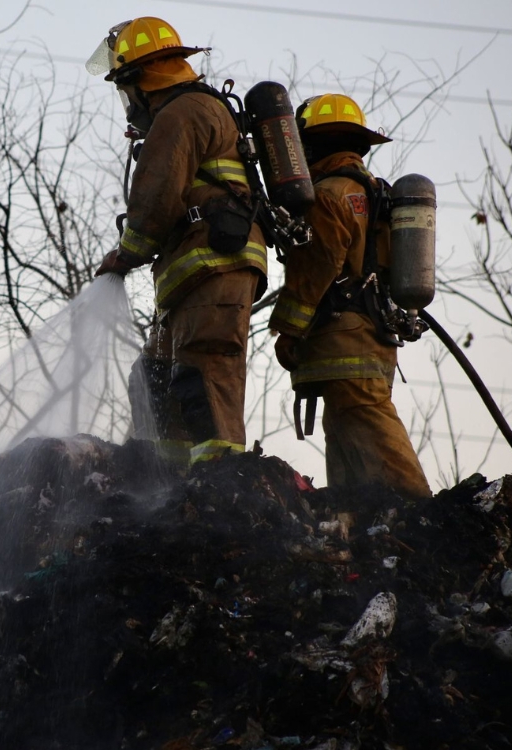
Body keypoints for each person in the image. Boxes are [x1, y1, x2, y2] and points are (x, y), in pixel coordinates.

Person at [87, 17, 267, 467]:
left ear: (139, 81)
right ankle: (164, 482)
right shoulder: (194, 109)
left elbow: (155, 198)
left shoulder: (180, 113)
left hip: (215, 268)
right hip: (195, 275)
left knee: (203, 372)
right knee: (153, 379)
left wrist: (125, 255)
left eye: (124, 88)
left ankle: (220, 483)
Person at [268, 93, 431, 498]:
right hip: (375, 336)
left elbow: (316, 266)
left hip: (343, 338)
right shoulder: (378, 193)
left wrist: (288, 328)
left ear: (314, 145)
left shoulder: (327, 195)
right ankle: (363, 527)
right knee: (346, 437)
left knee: (370, 426)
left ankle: (424, 515)